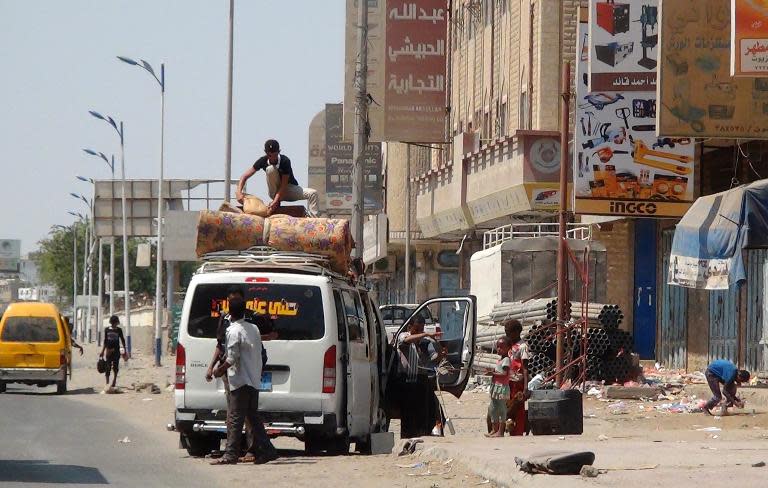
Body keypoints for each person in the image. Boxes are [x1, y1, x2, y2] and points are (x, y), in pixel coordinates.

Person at [211, 295, 279, 465]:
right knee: (253, 417)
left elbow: (232, 358)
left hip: (240, 380)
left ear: (230, 312)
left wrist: (219, 371)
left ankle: (231, 454)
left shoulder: (233, 331)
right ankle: (268, 451)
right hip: (253, 379)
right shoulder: (254, 328)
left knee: (235, 418)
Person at [236, 139, 319, 217]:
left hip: (288, 189)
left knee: (313, 193)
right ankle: (275, 200)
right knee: (270, 169)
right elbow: (244, 176)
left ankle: (314, 221)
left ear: (279, 152)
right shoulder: (262, 161)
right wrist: (239, 192)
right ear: (266, 153)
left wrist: (276, 201)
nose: (272, 158)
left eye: (274, 155)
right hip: (274, 191)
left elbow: (284, 185)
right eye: (269, 155)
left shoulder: (285, 161)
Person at [396, 314, 442, 439]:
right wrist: (425, 334)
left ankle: (422, 435)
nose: (420, 332)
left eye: (422, 329)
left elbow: (433, 359)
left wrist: (441, 354)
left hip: (421, 380)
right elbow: (406, 340)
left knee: (424, 412)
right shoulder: (403, 336)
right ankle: (407, 438)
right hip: (407, 381)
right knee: (408, 414)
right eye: (417, 329)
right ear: (410, 327)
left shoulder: (425, 343)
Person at [504, 319, 530, 436]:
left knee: (518, 407)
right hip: (508, 382)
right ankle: (509, 428)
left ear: (516, 332)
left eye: (508, 332)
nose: (507, 335)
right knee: (508, 406)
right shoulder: (509, 346)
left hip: (518, 382)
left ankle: (519, 431)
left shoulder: (522, 346)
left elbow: (525, 368)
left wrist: (525, 387)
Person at [486, 337, 512, 438]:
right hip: (495, 387)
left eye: (501, 347)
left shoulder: (506, 360)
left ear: (508, 348)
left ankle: (500, 431)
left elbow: (505, 373)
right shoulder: (500, 360)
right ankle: (494, 429)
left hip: (501, 388)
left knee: (501, 409)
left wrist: (493, 373)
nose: (499, 349)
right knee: (493, 408)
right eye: (498, 347)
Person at [99, 315, 127, 391]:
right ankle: (107, 383)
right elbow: (105, 341)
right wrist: (102, 351)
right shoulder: (107, 330)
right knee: (107, 367)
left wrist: (125, 350)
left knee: (115, 367)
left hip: (116, 351)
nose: (116, 324)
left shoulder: (119, 330)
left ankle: (114, 380)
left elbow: (122, 340)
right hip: (108, 351)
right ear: (112, 322)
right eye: (115, 322)